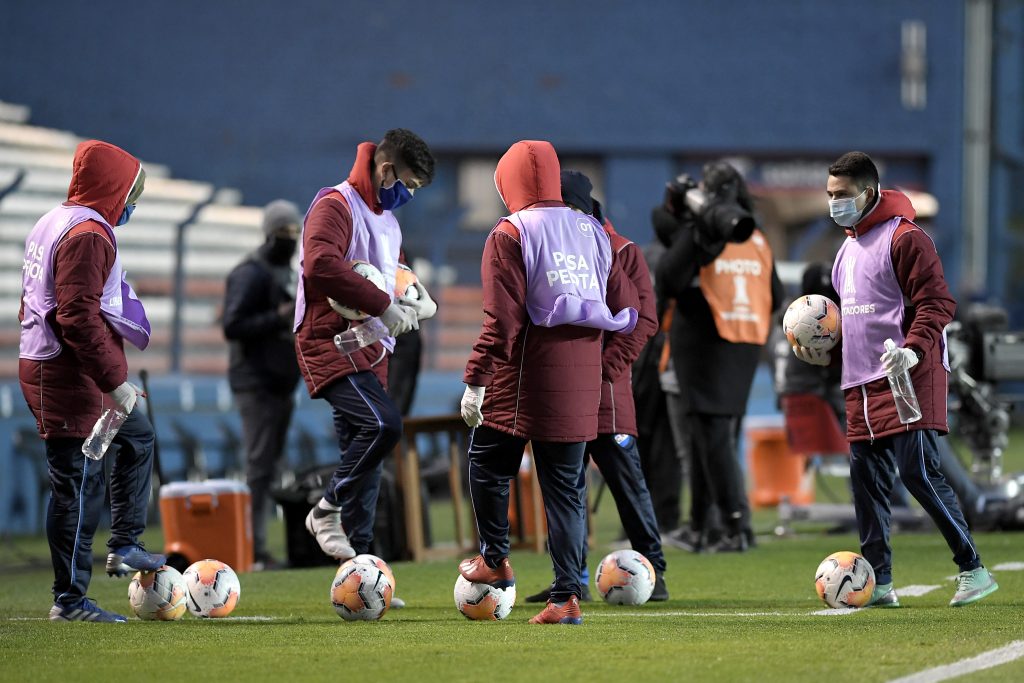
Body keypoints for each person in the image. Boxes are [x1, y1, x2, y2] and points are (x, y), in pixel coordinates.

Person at [793, 151, 998, 607]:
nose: (834, 204)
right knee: (866, 485)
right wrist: (823, 355)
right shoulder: (845, 251)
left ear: (868, 193)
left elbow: (938, 302)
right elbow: (854, 325)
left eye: (842, 195)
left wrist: (912, 350)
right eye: (829, 195)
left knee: (918, 472)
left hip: (910, 374)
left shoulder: (907, 238)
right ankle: (879, 583)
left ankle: (974, 569)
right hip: (860, 382)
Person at [458, 141, 639, 625]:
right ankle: (566, 597)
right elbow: (624, 306)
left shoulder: (510, 232)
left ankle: (493, 559)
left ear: (507, 181)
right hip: (582, 381)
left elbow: (502, 321)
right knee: (565, 489)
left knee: (486, 463)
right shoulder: (595, 231)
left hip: (523, 378)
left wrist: (476, 379)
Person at [18, 140, 165, 622]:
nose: (132, 204)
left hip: (63, 365)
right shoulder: (89, 235)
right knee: (78, 484)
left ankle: (124, 542)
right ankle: (70, 600)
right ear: (113, 189)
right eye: (130, 193)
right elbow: (76, 316)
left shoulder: (56, 219)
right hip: (64, 371)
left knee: (138, 438)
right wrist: (115, 379)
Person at [295, 129, 437, 575]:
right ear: (386, 169)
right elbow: (320, 265)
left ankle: (364, 571)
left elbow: (385, 272)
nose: (409, 194)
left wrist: (418, 294)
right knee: (383, 426)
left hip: (372, 345)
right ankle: (324, 509)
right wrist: (383, 304)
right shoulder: (335, 204)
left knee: (368, 463)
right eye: (408, 184)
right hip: (330, 339)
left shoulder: (388, 221)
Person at [524, 170, 667, 603]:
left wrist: (604, 370)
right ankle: (572, 578)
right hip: (564, 394)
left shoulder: (622, 250)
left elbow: (644, 319)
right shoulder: (554, 247)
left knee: (627, 482)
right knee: (566, 489)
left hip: (605, 394)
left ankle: (654, 572)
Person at [655, 161, 785, 553]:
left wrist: (692, 228)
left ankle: (734, 525)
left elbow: (668, 277)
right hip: (746, 340)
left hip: (705, 341)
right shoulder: (754, 234)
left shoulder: (707, 230)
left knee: (710, 438)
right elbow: (776, 296)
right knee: (712, 437)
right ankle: (704, 525)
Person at [222, 199, 303, 570]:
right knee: (258, 466)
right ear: (269, 234)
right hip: (256, 381)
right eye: (283, 233)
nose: (290, 238)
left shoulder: (284, 270)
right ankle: (251, 548)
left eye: (294, 232)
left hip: (281, 380)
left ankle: (259, 546)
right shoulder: (249, 273)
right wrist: (277, 317)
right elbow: (232, 325)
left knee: (268, 465)